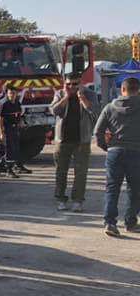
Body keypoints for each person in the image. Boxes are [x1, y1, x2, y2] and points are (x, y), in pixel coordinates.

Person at [95, 76, 140, 236]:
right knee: (135, 189)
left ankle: (110, 223)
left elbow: (98, 131)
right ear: (138, 90)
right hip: (136, 152)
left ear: (122, 89)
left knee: (112, 188)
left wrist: (106, 147)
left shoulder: (109, 107)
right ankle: (130, 222)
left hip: (115, 152)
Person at [50, 76, 100, 212]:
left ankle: (78, 201)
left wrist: (82, 98)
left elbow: (95, 111)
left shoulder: (90, 94)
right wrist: (66, 97)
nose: (72, 87)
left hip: (82, 140)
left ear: (81, 83)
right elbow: (54, 111)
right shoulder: (60, 94)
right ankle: (61, 199)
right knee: (61, 171)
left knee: (81, 173)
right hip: (62, 140)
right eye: (69, 84)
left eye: (75, 84)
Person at [0, 86, 24, 178]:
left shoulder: (17, 103)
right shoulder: (4, 104)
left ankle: (2, 164)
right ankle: (8, 170)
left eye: (14, 93)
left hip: (14, 128)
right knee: (9, 149)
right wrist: (1, 133)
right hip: (7, 128)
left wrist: (20, 123)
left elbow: (19, 115)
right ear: (7, 94)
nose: (12, 95)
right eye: (10, 93)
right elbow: (0, 120)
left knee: (15, 148)